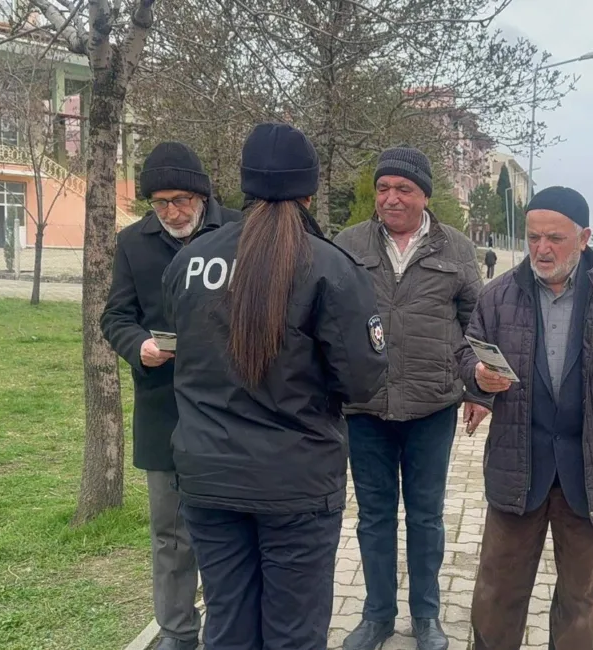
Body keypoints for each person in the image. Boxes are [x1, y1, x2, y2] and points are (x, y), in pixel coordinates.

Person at [162, 123, 387, 650]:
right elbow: (363, 379)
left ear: (243, 186)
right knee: (294, 635)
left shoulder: (190, 261)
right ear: (309, 191)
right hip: (295, 482)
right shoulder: (331, 266)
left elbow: (184, 346)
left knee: (227, 625)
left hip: (208, 475)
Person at [461, 186, 593, 650]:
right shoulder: (498, 296)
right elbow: (467, 350)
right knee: (497, 595)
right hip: (519, 469)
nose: (541, 249)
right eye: (534, 237)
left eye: (554, 238)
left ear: (584, 237)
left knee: (581, 600)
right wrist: (477, 376)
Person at [333, 146, 487, 650]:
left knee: (425, 516)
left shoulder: (457, 249)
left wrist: (478, 389)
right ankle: (377, 615)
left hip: (431, 406)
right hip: (365, 407)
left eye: (403, 189)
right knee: (374, 517)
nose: (390, 198)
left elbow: (476, 324)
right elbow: (326, 319)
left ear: (425, 195)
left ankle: (427, 617)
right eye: (383, 188)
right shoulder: (348, 243)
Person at [101, 141, 240, 650]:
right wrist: (139, 345)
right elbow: (115, 315)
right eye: (159, 203)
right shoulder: (133, 243)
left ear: (202, 193)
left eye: (181, 199)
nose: (172, 212)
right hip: (163, 409)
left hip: (233, 408)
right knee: (171, 534)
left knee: (231, 531)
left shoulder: (240, 231)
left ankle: (232, 628)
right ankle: (178, 632)